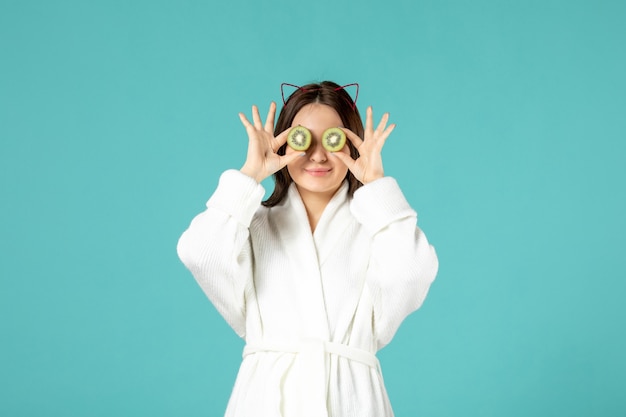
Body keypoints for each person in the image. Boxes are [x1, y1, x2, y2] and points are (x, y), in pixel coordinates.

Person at [177, 81, 439, 417]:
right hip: (265, 401)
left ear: (353, 144)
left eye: (333, 139)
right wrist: (249, 175)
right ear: (284, 143)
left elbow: (412, 275)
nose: (317, 155)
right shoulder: (252, 223)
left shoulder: (378, 228)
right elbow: (200, 254)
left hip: (352, 401)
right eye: (303, 139)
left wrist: (376, 186)